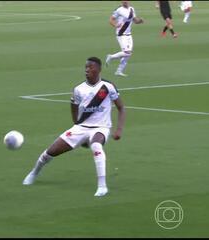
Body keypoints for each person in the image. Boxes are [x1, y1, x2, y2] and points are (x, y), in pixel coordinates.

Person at [22, 57, 126, 197]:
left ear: (99, 69)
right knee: (51, 151)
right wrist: (76, 125)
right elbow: (73, 106)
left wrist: (118, 129)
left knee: (96, 146)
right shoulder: (79, 89)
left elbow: (121, 107)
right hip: (81, 128)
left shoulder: (107, 86)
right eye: (86, 67)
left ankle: (102, 186)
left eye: (91, 67)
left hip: (101, 128)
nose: (87, 70)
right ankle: (34, 173)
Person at [105, 1, 144, 77]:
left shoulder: (132, 9)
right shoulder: (119, 9)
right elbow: (111, 20)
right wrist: (115, 25)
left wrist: (140, 21)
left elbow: (135, 21)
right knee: (127, 52)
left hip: (129, 34)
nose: (125, 1)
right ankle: (111, 57)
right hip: (121, 33)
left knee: (128, 54)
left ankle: (119, 71)